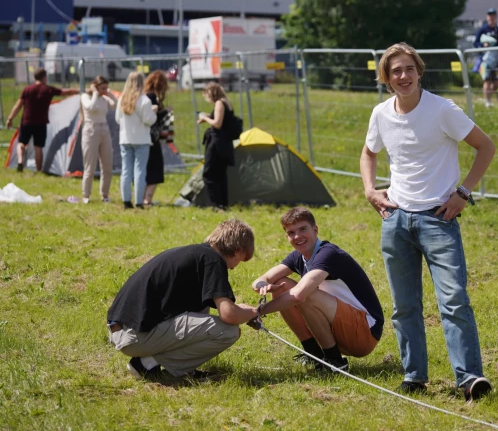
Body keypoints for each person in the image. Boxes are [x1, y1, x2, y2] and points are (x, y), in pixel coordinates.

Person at [360, 43, 496, 400]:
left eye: (408, 69)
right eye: (395, 72)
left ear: (419, 71)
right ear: (386, 79)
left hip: (439, 218)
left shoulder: (442, 110)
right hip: (396, 219)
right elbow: (369, 152)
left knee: (453, 301)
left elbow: (486, 147)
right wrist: (370, 190)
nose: (403, 76)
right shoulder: (381, 114)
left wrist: (463, 193)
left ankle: (469, 379)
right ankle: (414, 375)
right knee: (404, 306)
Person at [107, 219, 259, 380]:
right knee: (228, 331)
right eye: (241, 260)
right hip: (136, 337)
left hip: (121, 329)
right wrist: (253, 311)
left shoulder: (194, 254)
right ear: (237, 250)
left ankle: (160, 363)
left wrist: (240, 310)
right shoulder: (213, 260)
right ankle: (147, 364)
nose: (235, 267)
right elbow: (229, 315)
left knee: (202, 310)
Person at [251, 207, 384, 371]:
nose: (297, 236)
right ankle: (315, 355)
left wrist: (258, 311)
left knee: (306, 294)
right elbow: (262, 279)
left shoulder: (328, 253)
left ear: (315, 230)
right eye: (291, 232)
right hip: (341, 325)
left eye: (303, 229)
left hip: (365, 333)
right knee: (282, 286)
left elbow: (299, 295)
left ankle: (335, 362)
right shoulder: (298, 256)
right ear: (287, 236)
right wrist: (262, 284)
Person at [5, 68, 78, 172]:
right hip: (40, 123)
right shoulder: (48, 89)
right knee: (38, 147)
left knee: (21, 143)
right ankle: (38, 170)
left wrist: (10, 118)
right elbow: (65, 92)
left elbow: (18, 105)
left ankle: (20, 161)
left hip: (27, 121)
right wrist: (80, 91)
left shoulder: (27, 89)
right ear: (44, 77)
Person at [115, 72, 157, 209]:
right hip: (141, 139)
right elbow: (149, 120)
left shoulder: (122, 99)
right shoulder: (144, 100)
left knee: (126, 170)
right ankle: (139, 201)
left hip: (125, 138)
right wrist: (154, 112)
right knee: (140, 171)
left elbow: (117, 119)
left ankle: (126, 201)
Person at [197, 83, 236, 210]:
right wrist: (209, 116)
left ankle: (216, 204)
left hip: (217, 143)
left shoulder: (219, 103)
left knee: (209, 173)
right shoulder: (226, 102)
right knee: (220, 174)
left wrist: (205, 118)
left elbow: (217, 124)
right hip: (225, 143)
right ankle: (223, 204)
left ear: (211, 93)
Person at [80, 76, 117, 204]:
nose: (104, 91)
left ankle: (105, 194)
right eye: (102, 88)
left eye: (106, 88)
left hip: (104, 129)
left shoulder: (104, 98)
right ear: (95, 87)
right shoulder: (86, 97)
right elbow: (90, 107)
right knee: (90, 166)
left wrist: (110, 93)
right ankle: (86, 195)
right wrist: (95, 93)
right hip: (91, 130)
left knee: (107, 165)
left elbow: (115, 105)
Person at [143, 70, 171, 206]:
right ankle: (147, 199)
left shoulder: (144, 96)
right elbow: (152, 118)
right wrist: (166, 112)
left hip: (144, 137)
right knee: (155, 169)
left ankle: (142, 197)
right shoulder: (152, 97)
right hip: (152, 139)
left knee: (145, 168)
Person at [473, 8, 498, 108]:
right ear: (487, 17)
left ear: (495, 17)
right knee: (487, 80)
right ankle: (487, 101)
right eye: (489, 15)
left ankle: (488, 95)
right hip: (485, 59)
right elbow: (475, 43)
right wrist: (484, 45)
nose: (491, 17)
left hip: (497, 59)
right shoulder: (482, 30)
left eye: (493, 15)